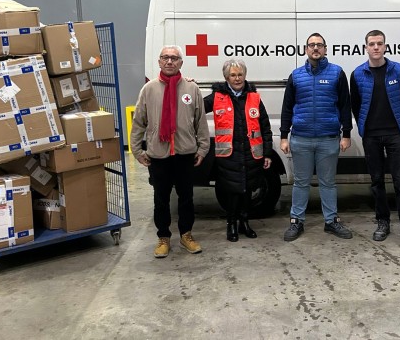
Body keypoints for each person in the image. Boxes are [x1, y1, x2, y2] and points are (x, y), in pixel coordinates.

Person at [130, 45, 210, 258]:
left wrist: (203, 148)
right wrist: (137, 150)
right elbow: (139, 122)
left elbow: (200, 121)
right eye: (165, 57)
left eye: (174, 58)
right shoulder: (149, 89)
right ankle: (163, 237)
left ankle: (186, 235)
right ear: (159, 61)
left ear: (181, 63)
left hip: (185, 154)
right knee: (161, 199)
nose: (169, 61)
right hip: (159, 155)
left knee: (186, 198)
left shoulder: (192, 89)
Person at [350, 30, 400, 252]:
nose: (376, 47)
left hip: (394, 135)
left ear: (385, 46)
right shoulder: (358, 74)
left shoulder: (397, 70)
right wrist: (365, 127)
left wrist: (397, 122)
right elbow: (355, 104)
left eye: (380, 43)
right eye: (372, 44)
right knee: (377, 182)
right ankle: (383, 222)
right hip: (371, 136)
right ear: (366, 48)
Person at [280, 32, 353, 241]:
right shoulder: (296, 76)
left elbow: (345, 106)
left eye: (319, 45)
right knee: (301, 182)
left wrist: (346, 134)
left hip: (328, 139)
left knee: (328, 182)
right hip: (300, 138)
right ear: (305, 50)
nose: (315, 48)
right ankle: (296, 221)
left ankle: (331, 221)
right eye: (311, 45)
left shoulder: (337, 73)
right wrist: (284, 136)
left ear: (325, 49)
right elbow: (287, 108)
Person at [203, 60, 273, 242]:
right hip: (229, 155)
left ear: (245, 76)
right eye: (233, 75)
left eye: (240, 74)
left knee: (247, 190)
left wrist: (267, 153)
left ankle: (244, 222)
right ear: (226, 77)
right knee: (232, 192)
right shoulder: (217, 97)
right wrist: (187, 87)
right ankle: (231, 224)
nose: (237, 78)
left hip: (251, 154)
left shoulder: (254, 98)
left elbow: (265, 127)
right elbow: (195, 108)